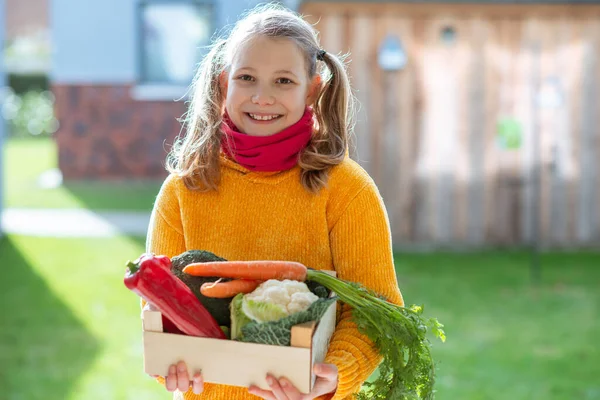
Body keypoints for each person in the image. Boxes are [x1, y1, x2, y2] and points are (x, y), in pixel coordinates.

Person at [144, 3, 404, 400]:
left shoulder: (347, 190)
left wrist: (332, 374)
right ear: (223, 84)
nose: (262, 97)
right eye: (247, 77)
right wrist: (172, 369)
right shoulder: (183, 190)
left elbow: (375, 309)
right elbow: (159, 307)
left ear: (312, 89)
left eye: (283, 81)